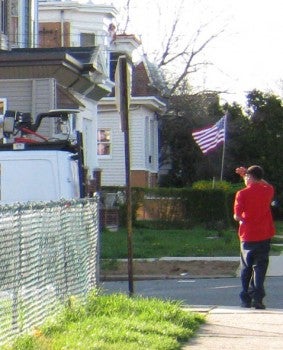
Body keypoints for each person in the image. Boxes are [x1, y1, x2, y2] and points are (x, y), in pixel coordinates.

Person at [233, 165, 275, 309]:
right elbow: (267, 184)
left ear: (250, 178)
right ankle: (258, 298)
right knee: (260, 268)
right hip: (264, 234)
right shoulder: (267, 191)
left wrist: (241, 220)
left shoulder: (241, 194)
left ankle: (246, 298)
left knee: (246, 268)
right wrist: (249, 174)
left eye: (246, 177)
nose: (245, 179)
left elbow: (237, 215)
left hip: (247, 235)